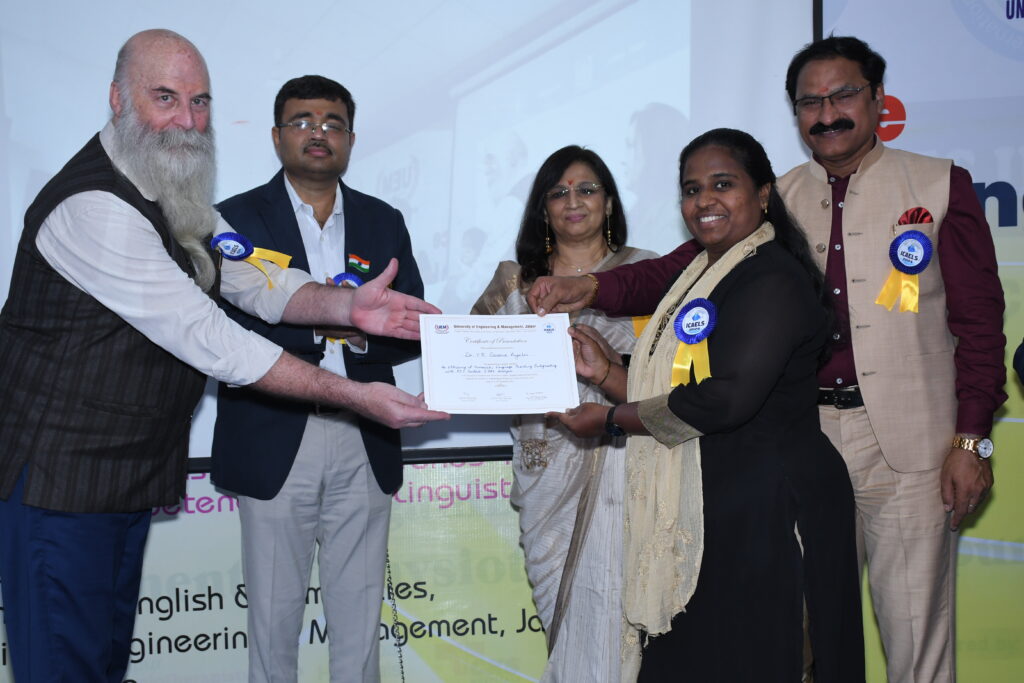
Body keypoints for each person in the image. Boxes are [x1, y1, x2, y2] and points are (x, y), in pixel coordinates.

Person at [531, 36, 1006, 682]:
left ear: (878, 98)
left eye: (843, 95)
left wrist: (971, 440)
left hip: (910, 447)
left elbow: (979, 325)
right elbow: (674, 272)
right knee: (808, 636)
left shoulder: (937, 184)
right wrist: (589, 287)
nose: (827, 113)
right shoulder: (771, 195)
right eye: (810, 102)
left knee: (916, 638)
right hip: (805, 436)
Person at [0, 30, 447, 682]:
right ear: (118, 99)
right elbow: (210, 336)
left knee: (100, 665)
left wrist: (349, 306)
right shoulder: (94, 206)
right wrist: (355, 394)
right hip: (58, 488)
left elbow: (257, 278)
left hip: (120, 481)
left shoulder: (174, 197)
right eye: (165, 98)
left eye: (200, 101)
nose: (187, 120)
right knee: (66, 668)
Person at [550, 128, 863, 682]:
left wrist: (610, 421)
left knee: (768, 661)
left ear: (762, 193)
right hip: (711, 505)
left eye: (723, 184)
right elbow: (682, 383)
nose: (704, 201)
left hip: (774, 508)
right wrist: (608, 374)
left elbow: (726, 398)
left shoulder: (773, 276)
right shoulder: (701, 274)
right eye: (692, 189)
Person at [210, 75, 422, 683]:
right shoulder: (234, 219)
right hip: (274, 432)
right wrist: (321, 319)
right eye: (302, 121)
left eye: (332, 123)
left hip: (365, 430)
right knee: (272, 625)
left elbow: (413, 322)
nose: (318, 133)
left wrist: (355, 333)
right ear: (277, 136)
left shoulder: (383, 220)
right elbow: (219, 325)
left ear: (351, 139)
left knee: (359, 624)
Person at [471, 145, 657, 682]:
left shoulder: (646, 274)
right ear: (544, 209)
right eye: (558, 192)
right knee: (564, 615)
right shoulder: (515, 284)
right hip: (546, 475)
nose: (573, 201)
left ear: (609, 202)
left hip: (630, 465)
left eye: (587, 189)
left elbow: (675, 373)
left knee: (629, 621)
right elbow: (473, 366)